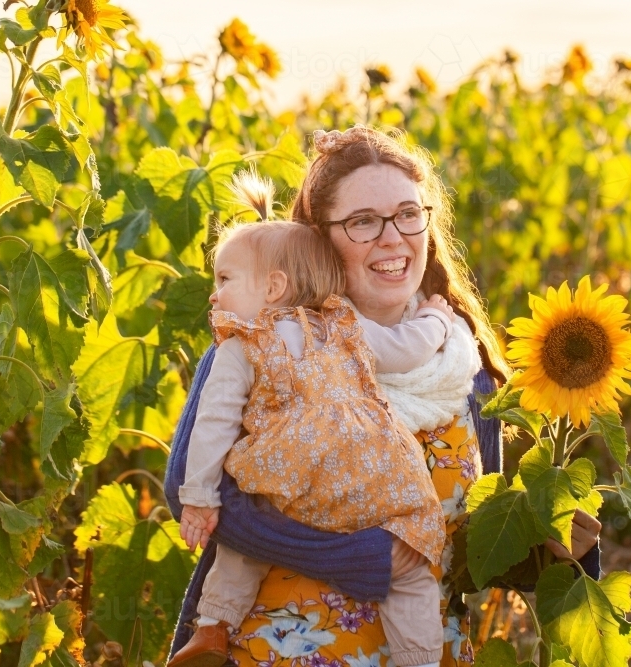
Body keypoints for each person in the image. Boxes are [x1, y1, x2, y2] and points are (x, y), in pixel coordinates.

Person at [165, 126, 603, 667]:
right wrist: (363, 558)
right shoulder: (267, 345)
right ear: (319, 240)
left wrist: (557, 547)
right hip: (275, 651)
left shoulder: (466, 374)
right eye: (363, 222)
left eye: (407, 214)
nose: (392, 238)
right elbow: (196, 496)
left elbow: (464, 551)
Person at [168, 206, 458, 667]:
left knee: (248, 531)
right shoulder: (343, 326)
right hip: (372, 472)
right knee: (411, 567)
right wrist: (439, 321)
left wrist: (199, 496)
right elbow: (405, 349)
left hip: (290, 468)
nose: (213, 295)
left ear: (273, 288)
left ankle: (214, 627)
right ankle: (420, 659)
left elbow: (214, 422)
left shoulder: (242, 343)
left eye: (224, 280)